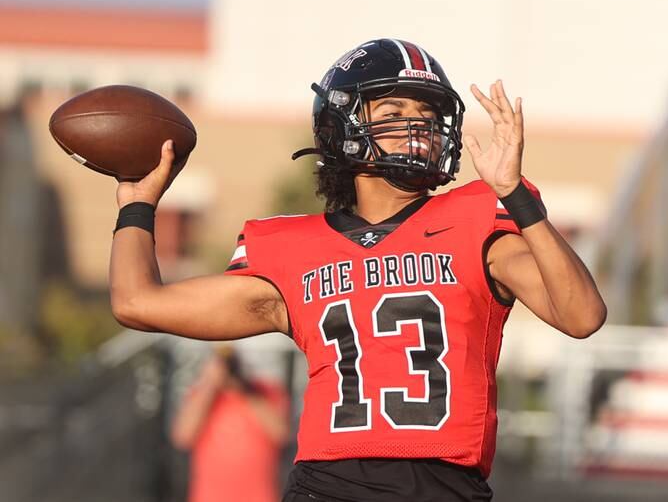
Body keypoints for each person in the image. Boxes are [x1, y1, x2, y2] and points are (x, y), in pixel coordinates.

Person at [110, 38, 606, 501]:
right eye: (395, 111)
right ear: (342, 124)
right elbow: (136, 302)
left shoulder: (477, 219)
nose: (420, 127)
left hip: (445, 486)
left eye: (428, 113)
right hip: (329, 485)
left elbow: (581, 316)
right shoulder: (292, 247)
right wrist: (138, 205)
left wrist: (515, 195)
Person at [170, 344, 289, 502]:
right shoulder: (202, 395)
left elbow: (281, 433)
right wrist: (209, 385)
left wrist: (243, 389)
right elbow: (183, 436)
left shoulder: (266, 391)